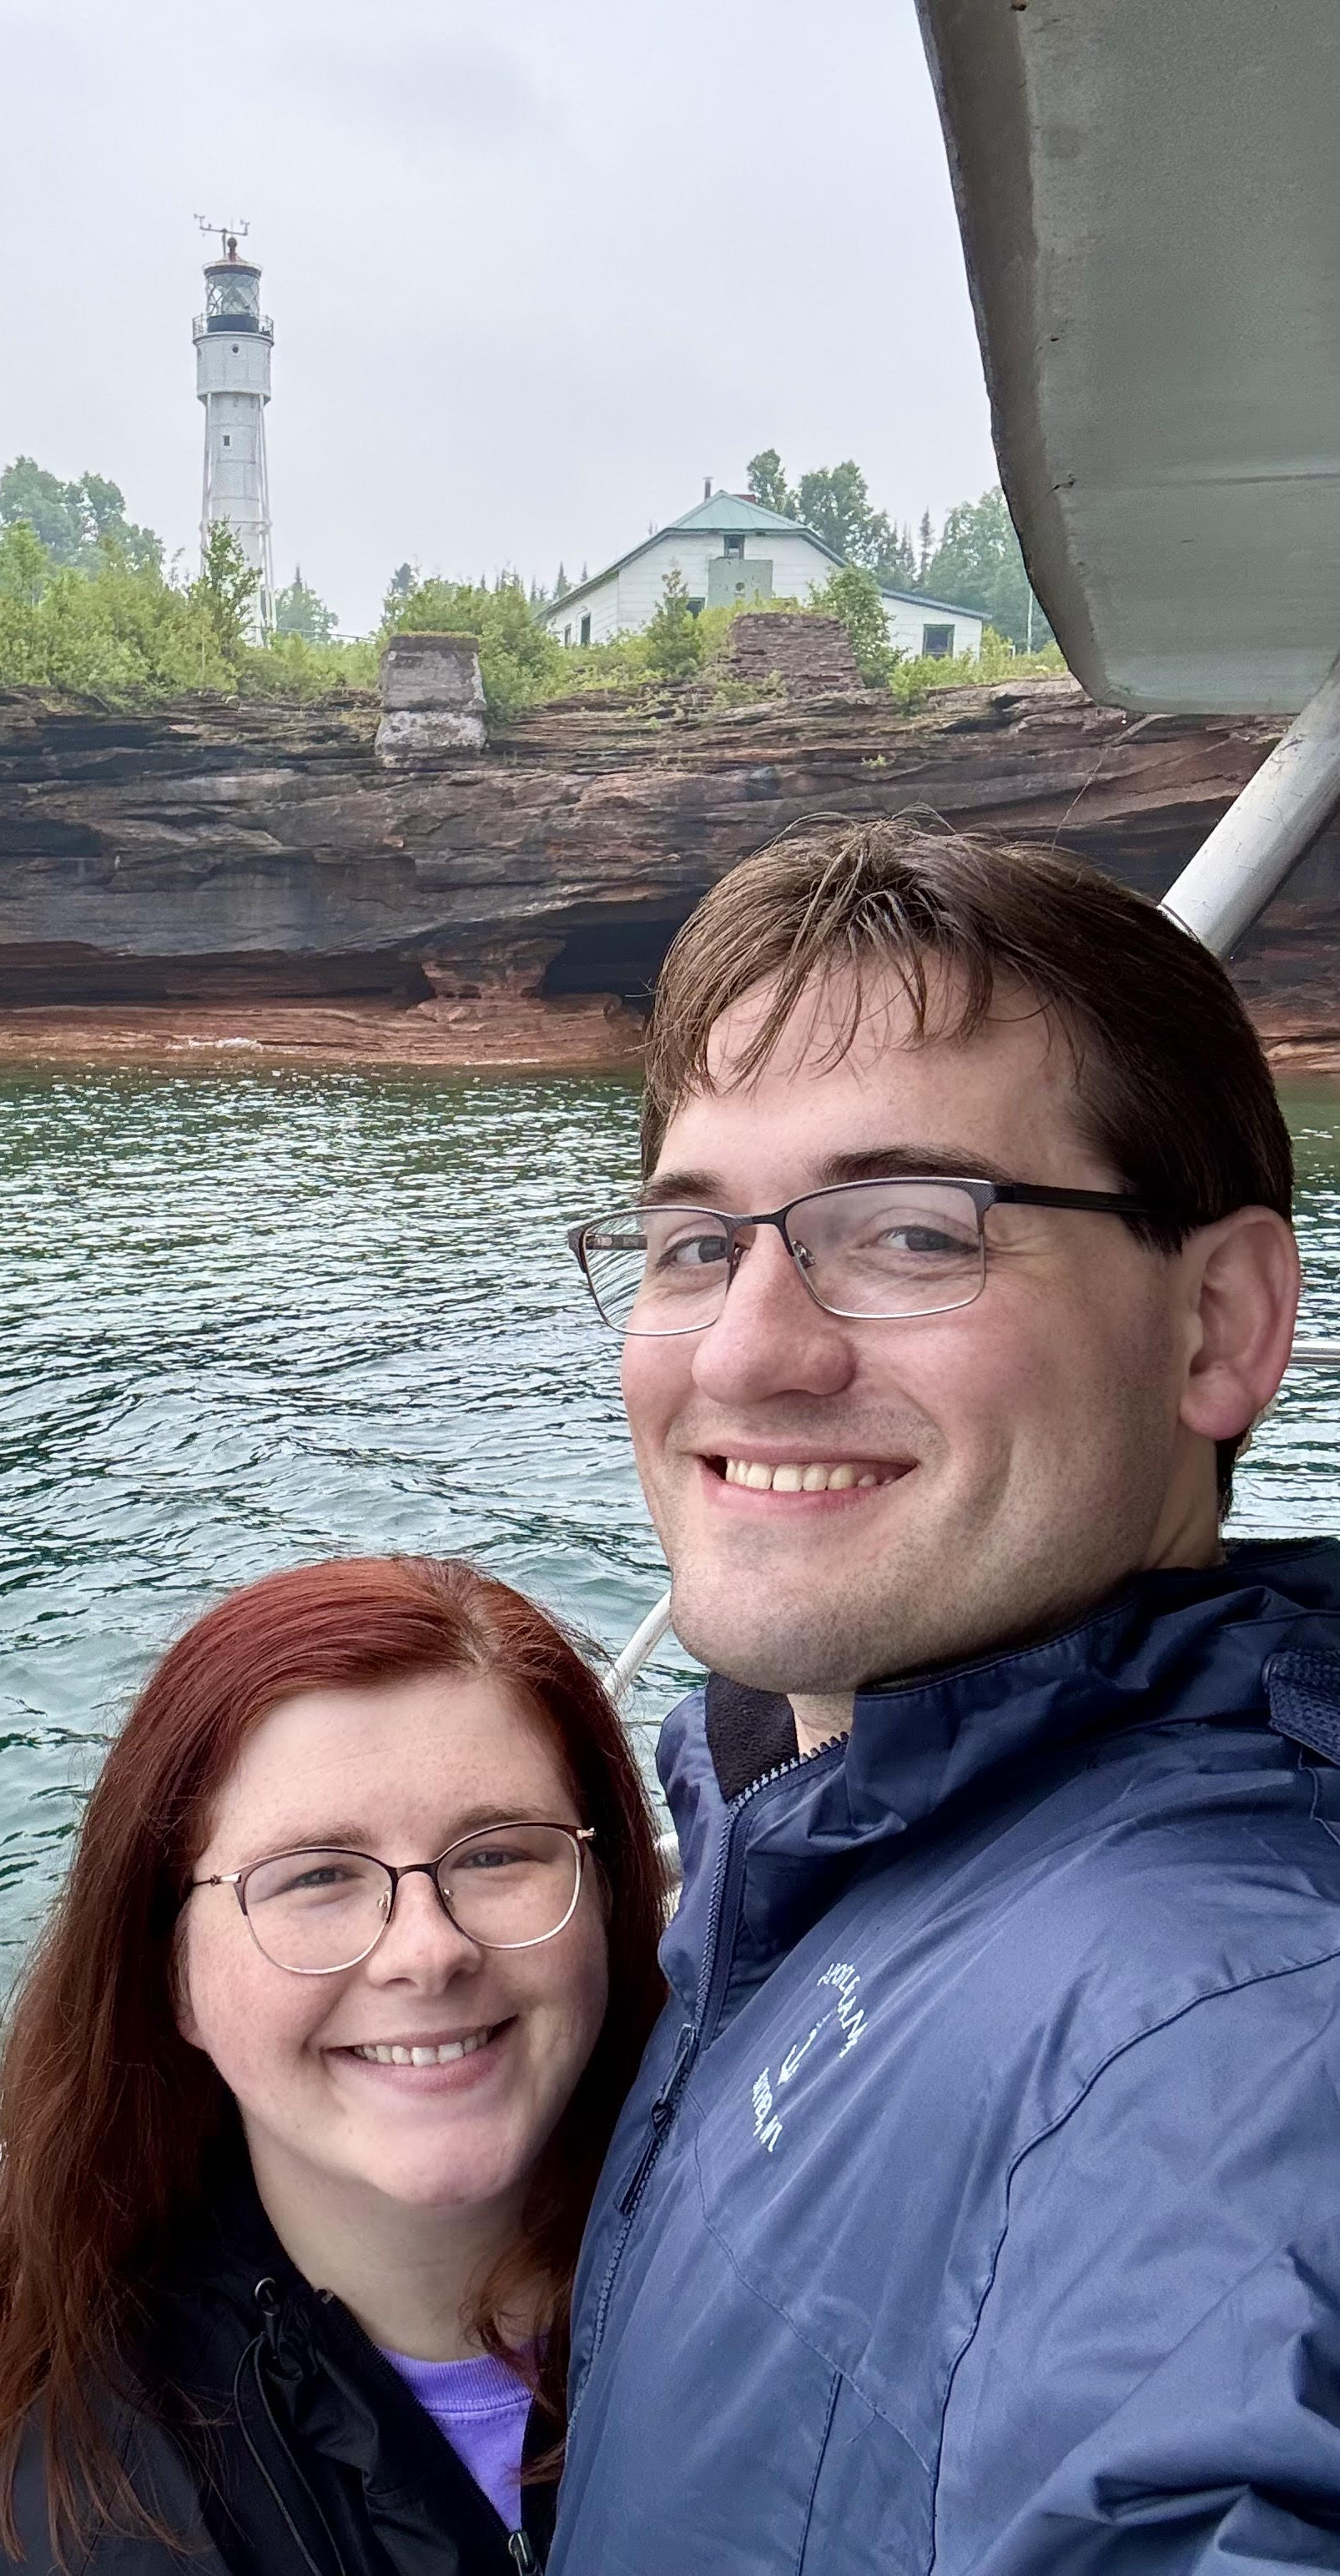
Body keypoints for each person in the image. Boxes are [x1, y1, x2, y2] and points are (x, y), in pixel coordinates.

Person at [552, 819, 1340, 2573]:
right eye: (695, 1246)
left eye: (910, 1231)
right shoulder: (802, 1821)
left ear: (1221, 1324)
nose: (751, 1348)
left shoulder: (1233, 2035)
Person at [0, 1555, 667, 2576]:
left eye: (498, 1853)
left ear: (609, 1896)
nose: (427, 1949)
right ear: (170, 1976)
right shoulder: (108, 2532)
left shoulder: (797, 2269)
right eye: (316, 1876)